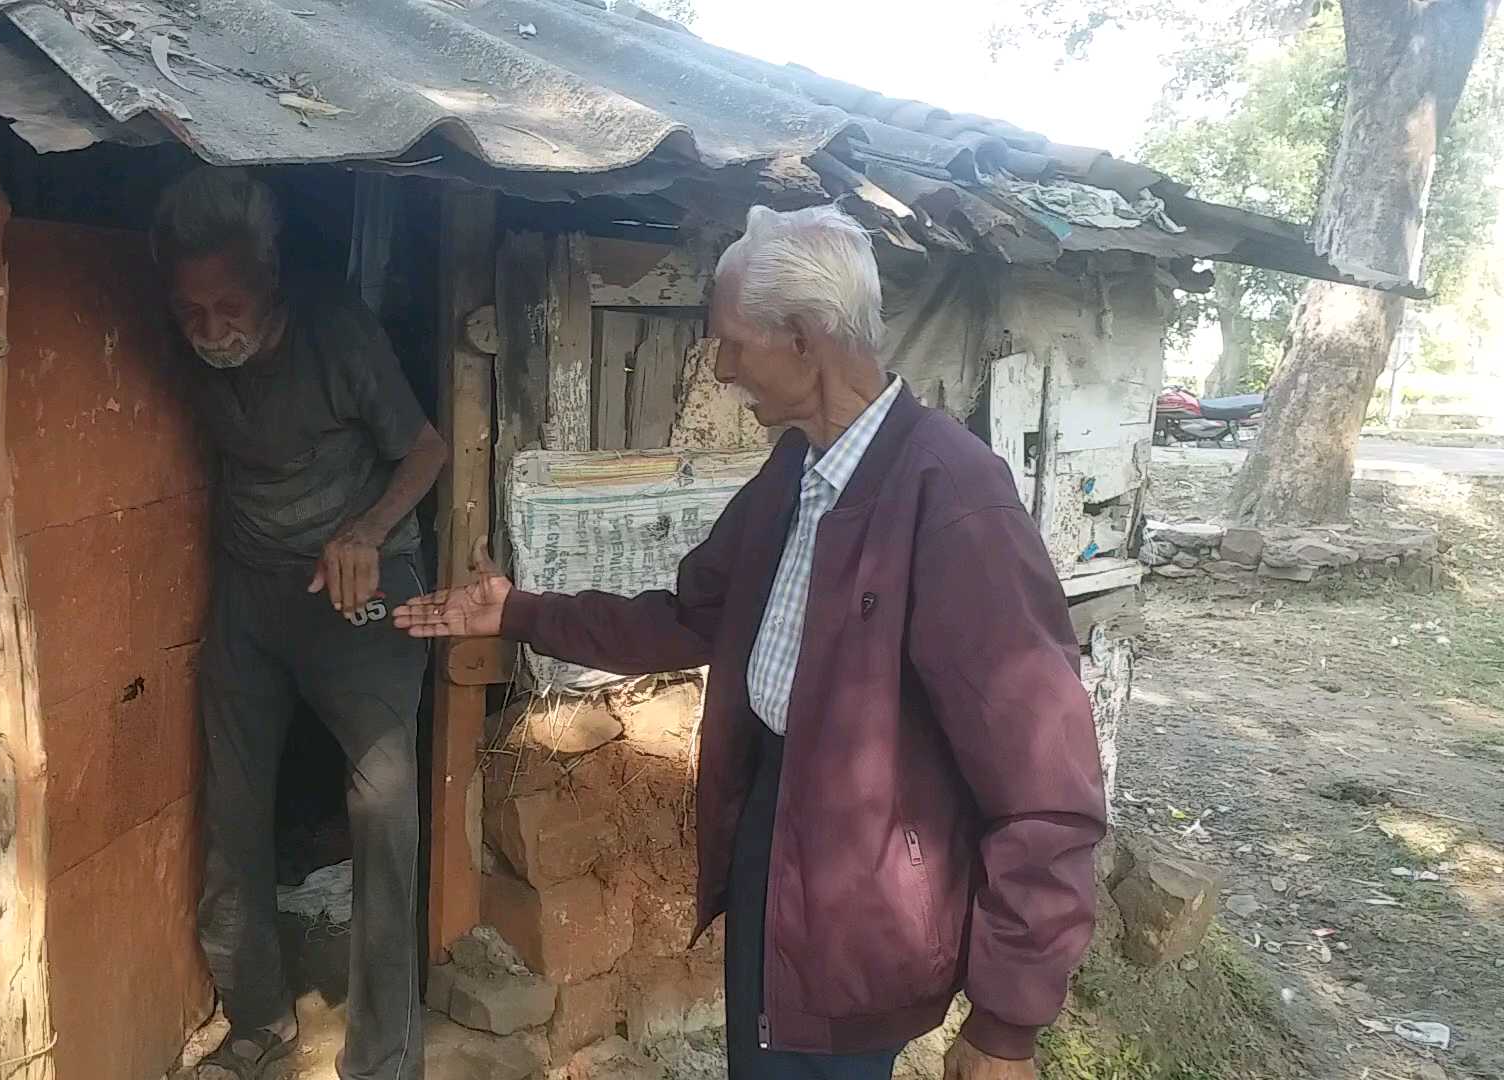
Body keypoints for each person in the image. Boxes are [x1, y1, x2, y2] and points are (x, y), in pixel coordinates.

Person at [396, 205, 1107, 1080]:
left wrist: (1006, 1025)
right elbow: (689, 616)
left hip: (866, 887)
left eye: (733, 342)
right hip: (777, 826)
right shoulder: (797, 469)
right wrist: (519, 612)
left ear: (805, 340)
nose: (722, 368)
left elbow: (1047, 787)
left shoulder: (955, 501)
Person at [155, 167, 446, 1080]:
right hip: (252, 589)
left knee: (384, 806)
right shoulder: (192, 343)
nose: (209, 330)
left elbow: (428, 446)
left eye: (227, 305)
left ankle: (383, 1057)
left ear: (271, 274)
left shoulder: (337, 331)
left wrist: (366, 528)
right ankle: (258, 1021)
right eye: (191, 311)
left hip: (358, 584)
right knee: (234, 807)